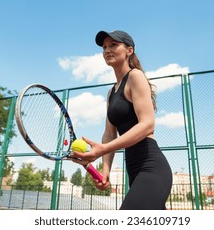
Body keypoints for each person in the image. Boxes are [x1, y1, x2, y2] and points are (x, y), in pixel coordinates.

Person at [72, 30, 172, 210]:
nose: (107, 50)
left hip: (151, 167)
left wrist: (102, 149)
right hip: (133, 168)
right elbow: (109, 134)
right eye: (104, 47)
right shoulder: (111, 93)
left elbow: (147, 124)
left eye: (113, 45)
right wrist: (105, 170)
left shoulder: (135, 76)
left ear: (129, 50)